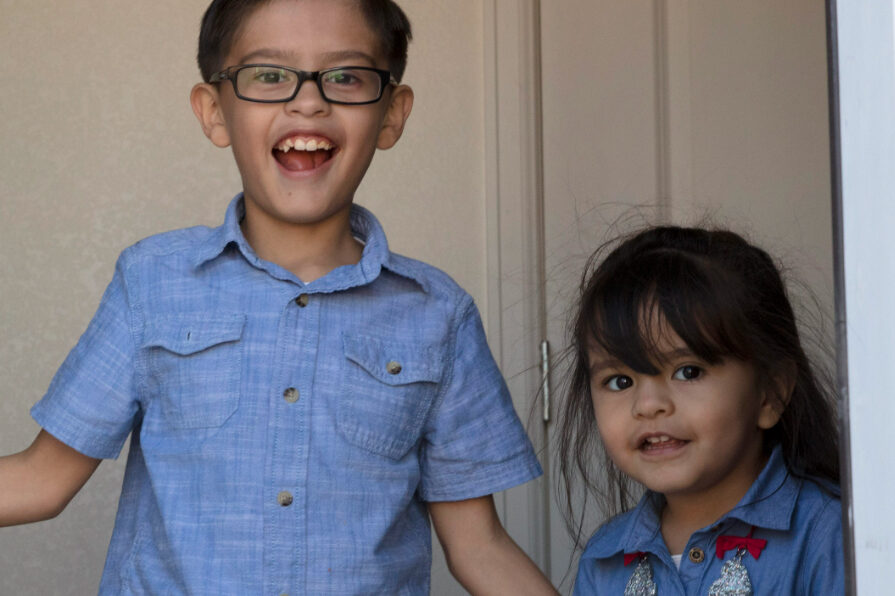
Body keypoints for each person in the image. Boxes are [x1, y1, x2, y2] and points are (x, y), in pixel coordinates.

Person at [0, 1, 558, 594]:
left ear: (391, 115)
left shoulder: (439, 315)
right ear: (214, 112)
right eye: (269, 75)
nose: (308, 101)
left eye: (346, 76)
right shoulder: (152, 283)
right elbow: (42, 481)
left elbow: (479, 545)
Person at [558, 226, 843, 594]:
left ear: (770, 393)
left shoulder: (830, 536)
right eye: (620, 381)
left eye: (688, 372)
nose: (648, 405)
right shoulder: (604, 559)